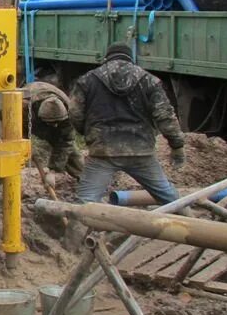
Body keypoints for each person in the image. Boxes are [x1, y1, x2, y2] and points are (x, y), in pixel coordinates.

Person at [69, 42, 185, 204]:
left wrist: (87, 133)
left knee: (84, 202)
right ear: (131, 59)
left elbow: (75, 113)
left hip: (103, 150)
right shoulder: (149, 81)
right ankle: (191, 224)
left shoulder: (87, 80)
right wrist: (177, 146)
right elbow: (165, 116)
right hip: (140, 150)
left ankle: (76, 228)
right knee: (169, 198)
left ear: (106, 59)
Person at [23, 81, 84, 179]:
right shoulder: (24, 105)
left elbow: (66, 141)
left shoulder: (69, 112)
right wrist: (26, 143)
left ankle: (86, 182)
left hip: (49, 117)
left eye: (57, 122)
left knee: (69, 150)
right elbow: (14, 125)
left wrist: (53, 170)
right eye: (51, 123)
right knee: (14, 151)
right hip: (23, 116)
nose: (55, 126)